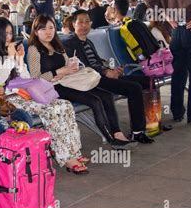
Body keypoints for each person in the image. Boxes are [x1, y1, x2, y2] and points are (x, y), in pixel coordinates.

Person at [0, 17, 89, 173]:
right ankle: (66, 158)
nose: (9, 37)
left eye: (11, 33)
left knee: (64, 105)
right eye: (5, 34)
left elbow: (26, 78)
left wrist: (19, 60)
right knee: (52, 110)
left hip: (23, 95)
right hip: (6, 100)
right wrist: (11, 58)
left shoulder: (10, 51)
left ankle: (73, 152)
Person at [27, 14, 136, 149]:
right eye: (43, 29)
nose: (48, 32)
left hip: (69, 81)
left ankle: (117, 133)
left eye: (51, 28)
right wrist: (58, 72)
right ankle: (111, 139)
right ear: (36, 31)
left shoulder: (57, 46)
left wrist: (73, 66)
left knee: (106, 96)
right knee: (94, 101)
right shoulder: (34, 49)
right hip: (53, 88)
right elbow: (35, 78)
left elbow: (68, 65)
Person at [64, 10, 153, 145]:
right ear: (73, 24)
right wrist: (105, 72)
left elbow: (97, 62)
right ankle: (138, 132)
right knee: (134, 88)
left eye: (87, 22)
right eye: (80, 22)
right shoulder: (70, 44)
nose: (84, 25)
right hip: (92, 81)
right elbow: (81, 68)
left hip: (102, 76)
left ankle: (151, 123)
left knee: (147, 82)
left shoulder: (88, 42)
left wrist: (113, 70)